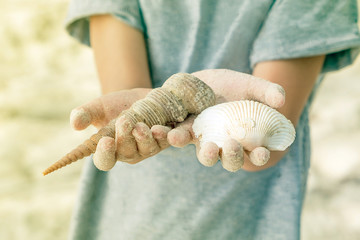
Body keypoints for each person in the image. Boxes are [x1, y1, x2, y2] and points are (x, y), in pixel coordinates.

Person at [65, 0, 360, 239]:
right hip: (128, 213)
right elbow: (125, 97)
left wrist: (207, 101)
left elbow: (266, 134)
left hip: (244, 217)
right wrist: (152, 112)